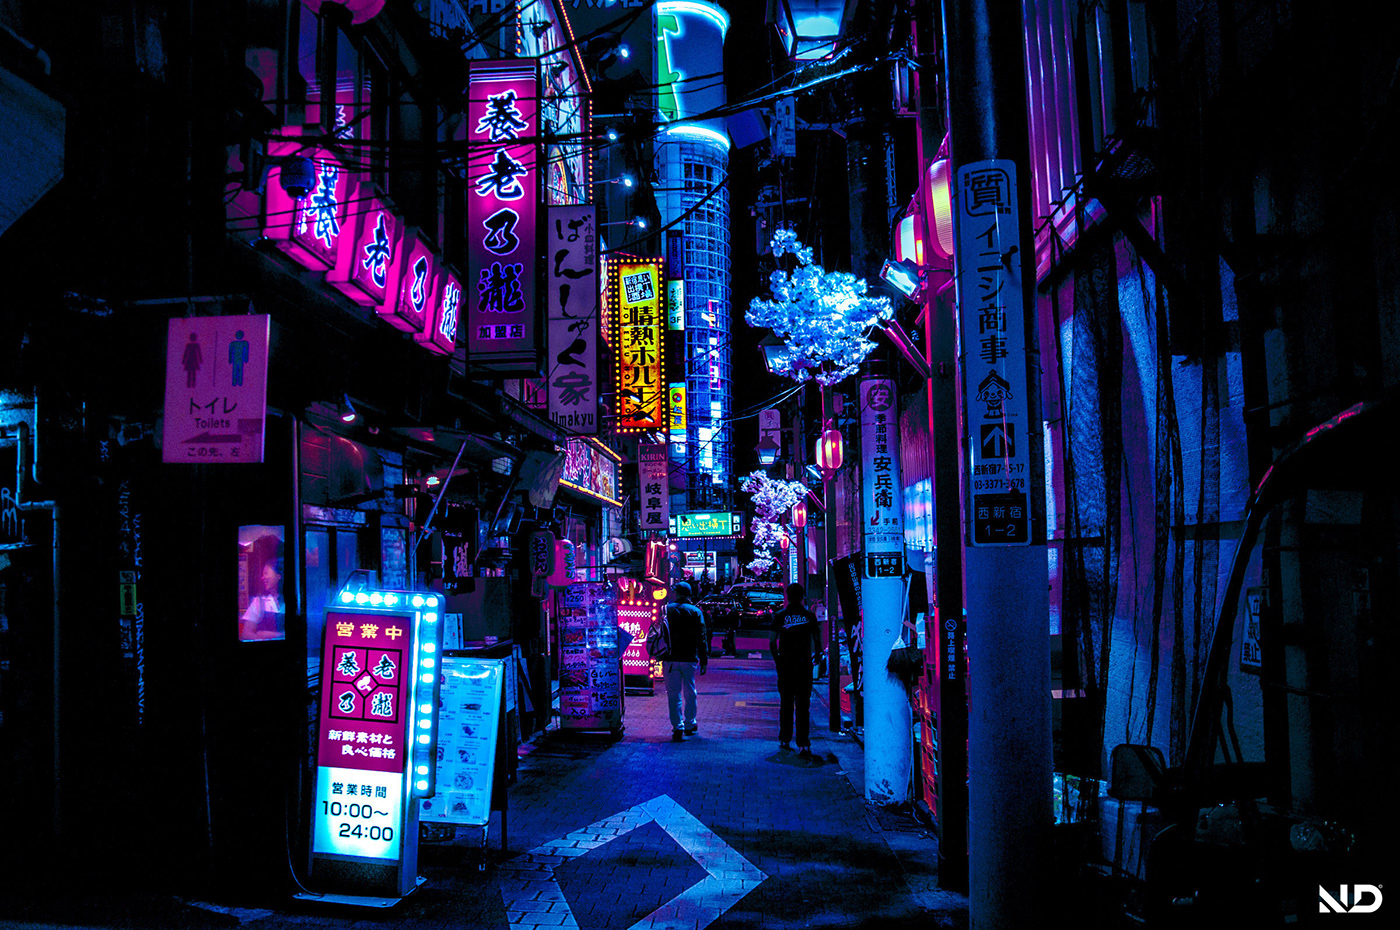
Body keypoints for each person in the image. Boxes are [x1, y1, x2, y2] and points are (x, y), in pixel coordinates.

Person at [771, 582, 821, 755]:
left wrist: (778, 660)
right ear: (802, 596)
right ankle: (803, 742)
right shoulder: (809, 616)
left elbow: (772, 641)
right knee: (803, 705)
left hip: (785, 665)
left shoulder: (780, 615)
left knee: (786, 704)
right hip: (804, 665)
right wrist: (817, 655)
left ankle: (785, 738)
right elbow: (817, 640)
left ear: (787, 596)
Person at [663, 581, 708, 741]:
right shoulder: (696, 611)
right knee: (690, 691)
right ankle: (690, 723)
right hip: (689, 657)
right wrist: (704, 659)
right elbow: (702, 638)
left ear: (677, 593)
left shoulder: (666, 610)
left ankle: (677, 727)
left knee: (673, 694)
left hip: (670, 658)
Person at [240, 556, 285, 641]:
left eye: (266, 573)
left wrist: (269, 634)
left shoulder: (296, 601)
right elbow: (245, 634)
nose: (262, 577)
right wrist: (265, 637)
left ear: (279, 575)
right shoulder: (259, 602)